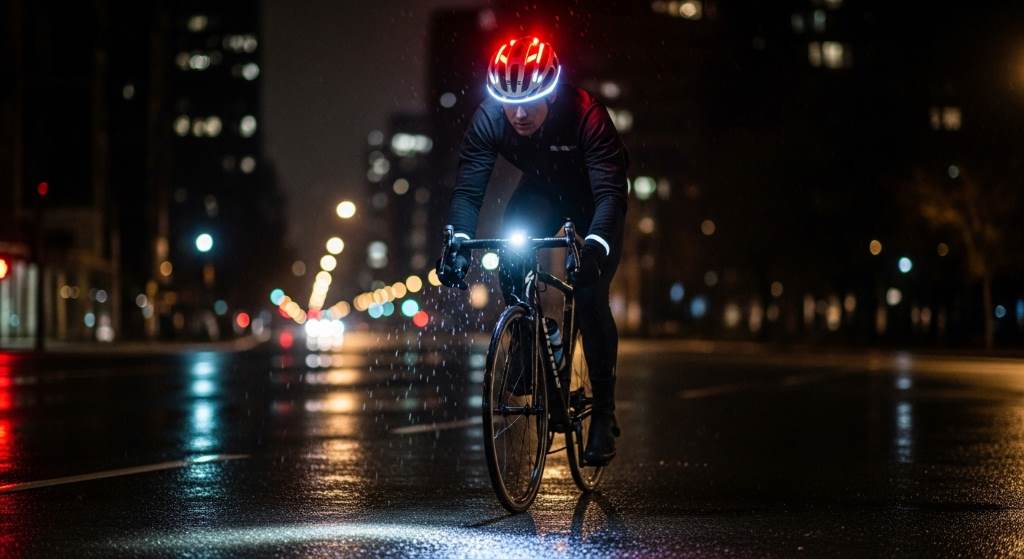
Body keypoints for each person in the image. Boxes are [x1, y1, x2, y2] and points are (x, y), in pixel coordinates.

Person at [436, 37, 628, 466]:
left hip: (595, 198)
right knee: (511, 254)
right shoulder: (490, 119)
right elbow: (468, 190)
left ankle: (604, 413)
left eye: (529, 103)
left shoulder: (587, 115)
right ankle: (534, 338)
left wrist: (595, 249)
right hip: (542, 192)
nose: (519, 114)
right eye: (509, 103)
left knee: (590, 294)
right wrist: (458, 244)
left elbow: (610, 196)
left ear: (551, 93)